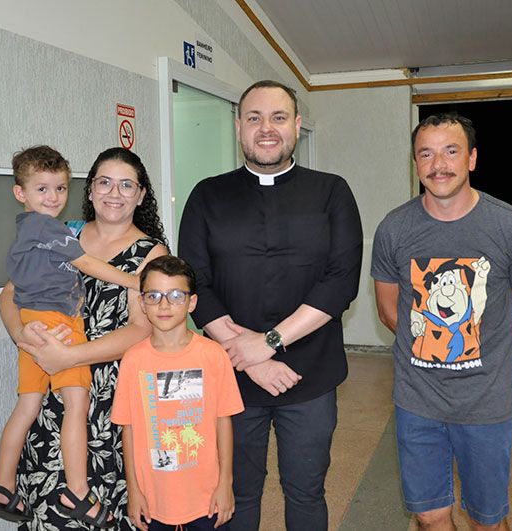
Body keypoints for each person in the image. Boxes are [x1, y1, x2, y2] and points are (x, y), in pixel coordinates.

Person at [178, 80, 362, 531]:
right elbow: (195, 283)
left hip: (311, 373)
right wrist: (251, 357)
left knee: (306, 491)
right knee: (236, 493)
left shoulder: (332, 192)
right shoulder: (207, 195)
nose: (266, 128)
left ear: (296, 126)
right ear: (238, 127)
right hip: (233, 376)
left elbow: (341, 282)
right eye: (254, 118)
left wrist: (269, 342)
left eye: (278, 118)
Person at [371, 112, 512, 531]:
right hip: (417, 400)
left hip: (485, 404)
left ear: (472, 158)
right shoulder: (394, 229)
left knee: (485, 520)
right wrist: (436, 346)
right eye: (426, 154)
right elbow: (389, 310)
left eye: (451, 152)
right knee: (428, 516)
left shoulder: (511, 226)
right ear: (415, 163)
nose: (438, 165)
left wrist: (490, 361)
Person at [0, 147, 168, 530]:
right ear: (89, 190)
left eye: (127, 185)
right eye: (104, 182)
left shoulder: (150, 253)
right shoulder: (61, 232)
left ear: (141, 195)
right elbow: (10, 294)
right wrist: (20, 333)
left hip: (109, 400)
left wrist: (72, 356)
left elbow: (141, 330)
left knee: (105, 507)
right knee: (48, 506)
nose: (114, 193)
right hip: (50, 390)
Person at [111, 256, 244, 530]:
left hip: (206, 497)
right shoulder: (133, 360)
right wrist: (134, 490)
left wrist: (226, 484)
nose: (164, 305)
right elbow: (128, 428)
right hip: (154, 499)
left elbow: (224, 421)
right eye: (154, 296)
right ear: (142, 303)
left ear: (191, 302)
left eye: (175, 295)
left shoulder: (214, 355)